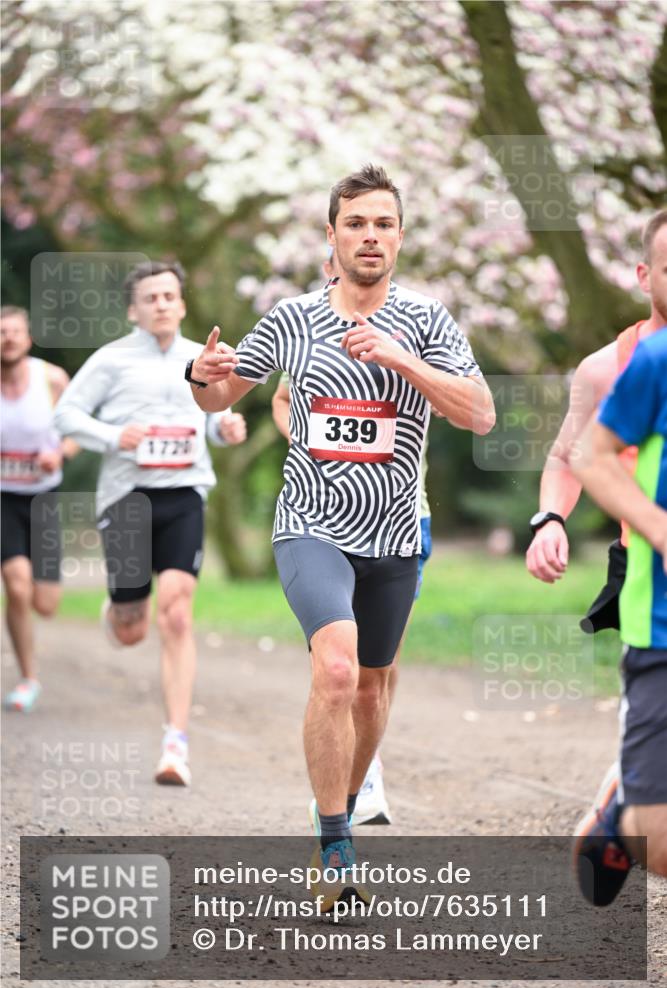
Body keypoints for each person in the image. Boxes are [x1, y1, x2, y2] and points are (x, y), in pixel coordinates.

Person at [188, 164, 495, 899]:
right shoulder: (293, 319)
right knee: (334, 669)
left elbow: (479, 413)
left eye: (382, 223)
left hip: (392, 534)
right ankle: (334, 851)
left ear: (399, 236)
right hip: (311, 525)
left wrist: (400, 359)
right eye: (355, 223)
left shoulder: (425, 321)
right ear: (331, 235)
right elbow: (221, 391)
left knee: (369, 688)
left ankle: (342, 810)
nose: (369, 236)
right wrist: (202, 375)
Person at [54, 262, 246, 787]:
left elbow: (213, 422)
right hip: (128, 499)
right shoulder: (111, 360)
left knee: (178, 614)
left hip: (184, 493)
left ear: (182, 305)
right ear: (133, 309)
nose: (161, 303)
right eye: (150, 297)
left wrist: (227, 429)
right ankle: (120, 607)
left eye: (169, 295)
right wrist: (115, 437)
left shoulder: (200, 358)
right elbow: (65, 416)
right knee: (134, 628)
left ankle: (175, 744)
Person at [272, 372, 433, 829]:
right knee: (338, 665)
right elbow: (281, 400)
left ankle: (366, 763)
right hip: (322, 520)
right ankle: (341, 807)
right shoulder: (312, 330)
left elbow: (473, 409)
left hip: (402, 520)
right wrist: (310, 440)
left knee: (379, 671)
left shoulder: (418, 330)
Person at [526, 209, 667, 635]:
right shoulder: (605, 369)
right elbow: (569, 457)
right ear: (645, 276)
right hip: (645, 566)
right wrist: (550, 520)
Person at [571, 325, 667, 905]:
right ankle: (625, 815)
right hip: (657, 608)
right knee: (659, 841)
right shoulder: (650, 358)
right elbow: (582, 454)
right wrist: (549, 521)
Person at [1, 306, 76, 712]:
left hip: (44, 497)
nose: (8, 338)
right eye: (1, 332)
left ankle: (29, 615)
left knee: (44, 602)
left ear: (27, 338)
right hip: (3, 498)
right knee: (16, 583)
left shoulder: (51, 379)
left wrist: (59, 453)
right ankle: (28, 678)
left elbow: (79, 430)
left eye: (14, 331)